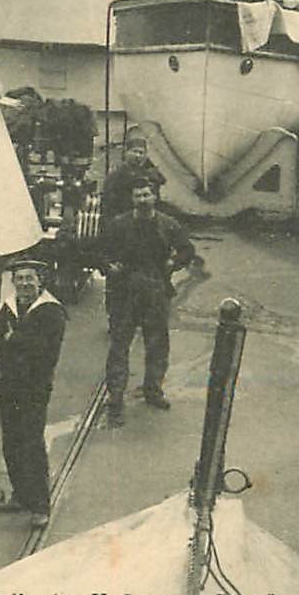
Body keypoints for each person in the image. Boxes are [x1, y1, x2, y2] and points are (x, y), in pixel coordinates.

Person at [95, 177, 195, 427]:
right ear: (132, 199)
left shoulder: (168, 225)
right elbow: (100, 251)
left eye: (147, 195)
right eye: (138, 196)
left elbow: (187, 250)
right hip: (124, 293)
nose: (143, 200)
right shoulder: (118, 225)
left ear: (155, 197)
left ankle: (153, 390)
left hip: (155, 291)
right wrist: (110, 265)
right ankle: (115, 399)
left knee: (157, 345)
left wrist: (174, 263)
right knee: (119, 346)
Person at [0, 258, 67, 529]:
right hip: (9, 383)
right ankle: (21, 494)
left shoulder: (51, 311)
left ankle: (40, 505)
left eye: (29, 278)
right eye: (19, 278)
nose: (23, 283)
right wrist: (15, 341)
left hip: (34, 387)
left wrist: (12, 339)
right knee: (11, 442)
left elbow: (44, 349)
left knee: (32, 444)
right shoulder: (9, 307)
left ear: (39, 281)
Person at [99, 135, 166, 222]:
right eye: (134, 151)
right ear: (126, 153)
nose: (137, 156)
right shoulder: (116, 175)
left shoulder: (149, 175)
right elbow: (108, 204)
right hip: (121, 218)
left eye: (141, 153)